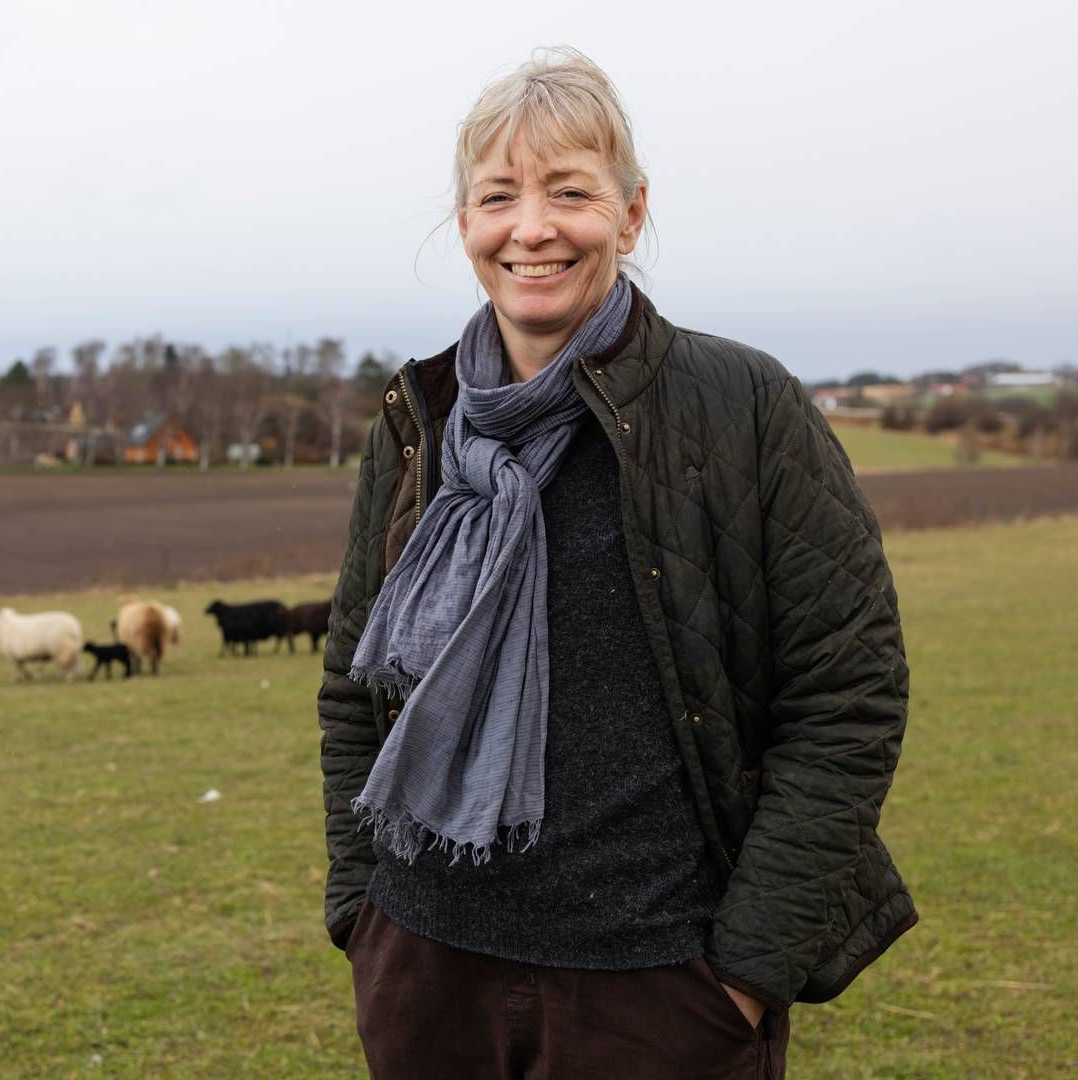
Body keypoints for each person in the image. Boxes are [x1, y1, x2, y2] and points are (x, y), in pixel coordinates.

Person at [318, 47, 915, 1079]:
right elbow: (349, 687)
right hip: (426, 975)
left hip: (658, 989)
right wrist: (362, 913)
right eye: (497, 195)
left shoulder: (743, 406)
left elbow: (847, 698)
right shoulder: (421, 419)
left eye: (570, 191)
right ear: (464, 225)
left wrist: (744, 973)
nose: (531, 227)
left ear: (631, 215)